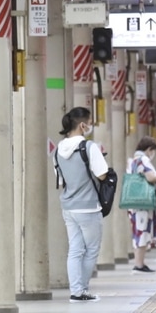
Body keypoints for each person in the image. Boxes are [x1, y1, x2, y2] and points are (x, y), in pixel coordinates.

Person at [54, 107, 110, 302]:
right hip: (88, 206)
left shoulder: (58, 150)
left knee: (75, 249)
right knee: (92, 249)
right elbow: (102, 174)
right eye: (90, 122)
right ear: (82, 125)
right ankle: (82, 290)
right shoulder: (89, 147)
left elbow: (60, 182)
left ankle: (76, 291)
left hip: (69, 206)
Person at [128, 137, 156, 272]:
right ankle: (139, 264)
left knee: (138, 231)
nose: (152, 153)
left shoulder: (134, 160)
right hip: (142, 202)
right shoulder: (143, 160)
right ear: (149, 149)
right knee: (142, 231)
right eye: (152, 150)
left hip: (135, 202)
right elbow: (151, 177)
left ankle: (140, 263)